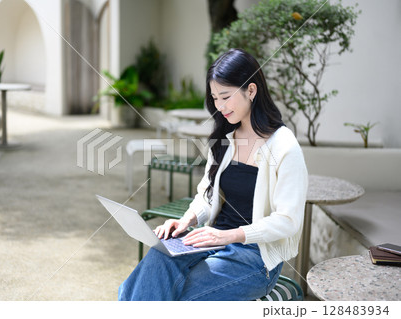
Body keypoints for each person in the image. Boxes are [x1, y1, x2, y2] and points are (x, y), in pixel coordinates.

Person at [118, 48, 308, 301]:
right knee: (157, 257)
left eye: (226, 97)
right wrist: (187, 220)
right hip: (210, 240)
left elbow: (288, 220)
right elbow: (206, 195)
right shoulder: (225, 137)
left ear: (251, 91)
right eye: (215, 98)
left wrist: (230, 235)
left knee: (171, 295)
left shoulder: (284, 146)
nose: (219, 106)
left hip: (254, 257)